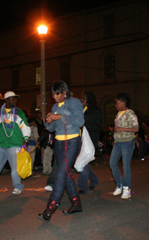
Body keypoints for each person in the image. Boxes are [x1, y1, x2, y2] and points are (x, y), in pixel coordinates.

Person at [38, 80, 84, 221]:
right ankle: (76, 203)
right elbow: (51, 129)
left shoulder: (74, 103)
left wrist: (61, 116)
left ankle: (50, 209)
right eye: (53, 95)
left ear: (65, 92)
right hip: (59, 142)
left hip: (72, 141)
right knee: (67, 173)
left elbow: (80, 121)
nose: (55, 97)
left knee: (60, 174)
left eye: (58, 94)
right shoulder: (54, 107)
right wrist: (49, 121)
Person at [109, 93, 139, 200]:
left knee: (126, 166)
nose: (115, 105)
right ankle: (120, 185)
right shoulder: (118, 114)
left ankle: (127, 188)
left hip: (127, 142)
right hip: (118, 142)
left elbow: (136, 129)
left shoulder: (131, 114)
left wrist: (121, 129)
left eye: (117, 103)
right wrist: (115, 136)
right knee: (112, 163)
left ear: (123, 102)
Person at [78, 91, 103, 194]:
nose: (82, 100)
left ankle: (83, 186)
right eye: (82, 98)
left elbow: (97, 126)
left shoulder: (96, 111)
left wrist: (84, 124)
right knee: (84, 161)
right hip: (79, 138)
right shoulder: (81, 110)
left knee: (83, 160)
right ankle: (94, 180)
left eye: (84, 98)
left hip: (90, 138)